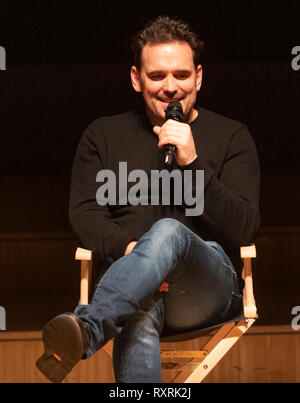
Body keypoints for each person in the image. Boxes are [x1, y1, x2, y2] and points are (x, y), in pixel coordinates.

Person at [36, 15, 260, 383]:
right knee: (135, 309)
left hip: (204, 289)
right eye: (157, 76)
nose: (171, 87)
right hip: (131, 286)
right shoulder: (103, 135)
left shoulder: (232, 135)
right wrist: (133, 254)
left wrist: (193, 163)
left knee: (169, 231)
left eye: (182, 75)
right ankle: (107, 314)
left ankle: (89, 328)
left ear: (198, 77)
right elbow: (85, 214)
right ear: (136, 79)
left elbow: (244, 226)